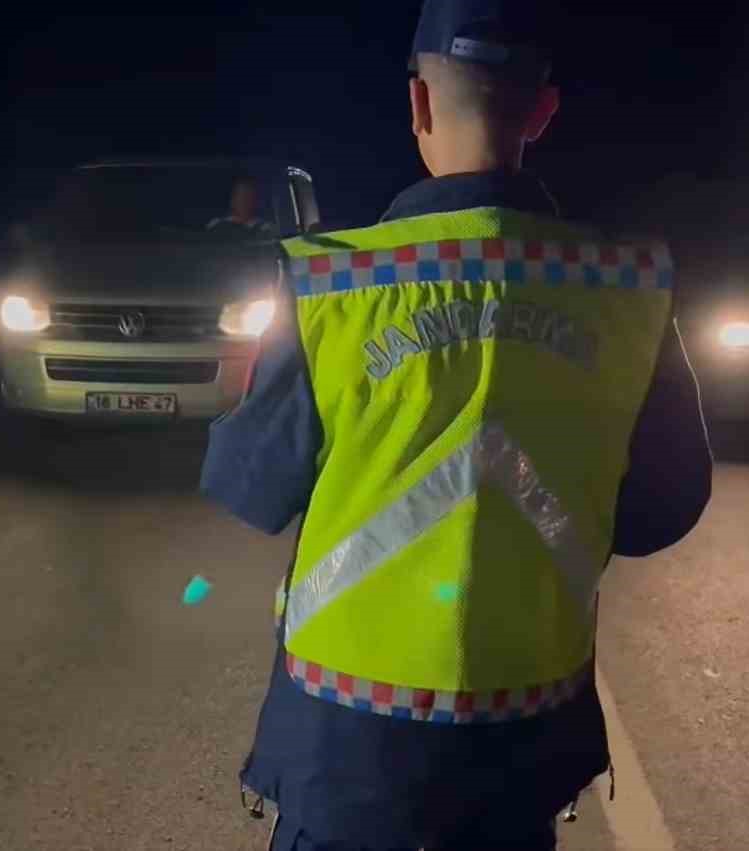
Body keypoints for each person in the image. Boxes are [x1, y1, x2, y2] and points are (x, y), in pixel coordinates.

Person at [198, 1, 713, 849]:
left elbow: (246, 486)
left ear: (418, 103)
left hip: (347, 742)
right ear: (542, 111)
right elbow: (662, 509)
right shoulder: (627, 288)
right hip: (522, 742)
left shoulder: (330, 285)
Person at [208, 175, 278, 237]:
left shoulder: (266, 228)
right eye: (242, 196)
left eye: (249, 196)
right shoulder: (216, 225)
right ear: (232, 200)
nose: (245, 202)